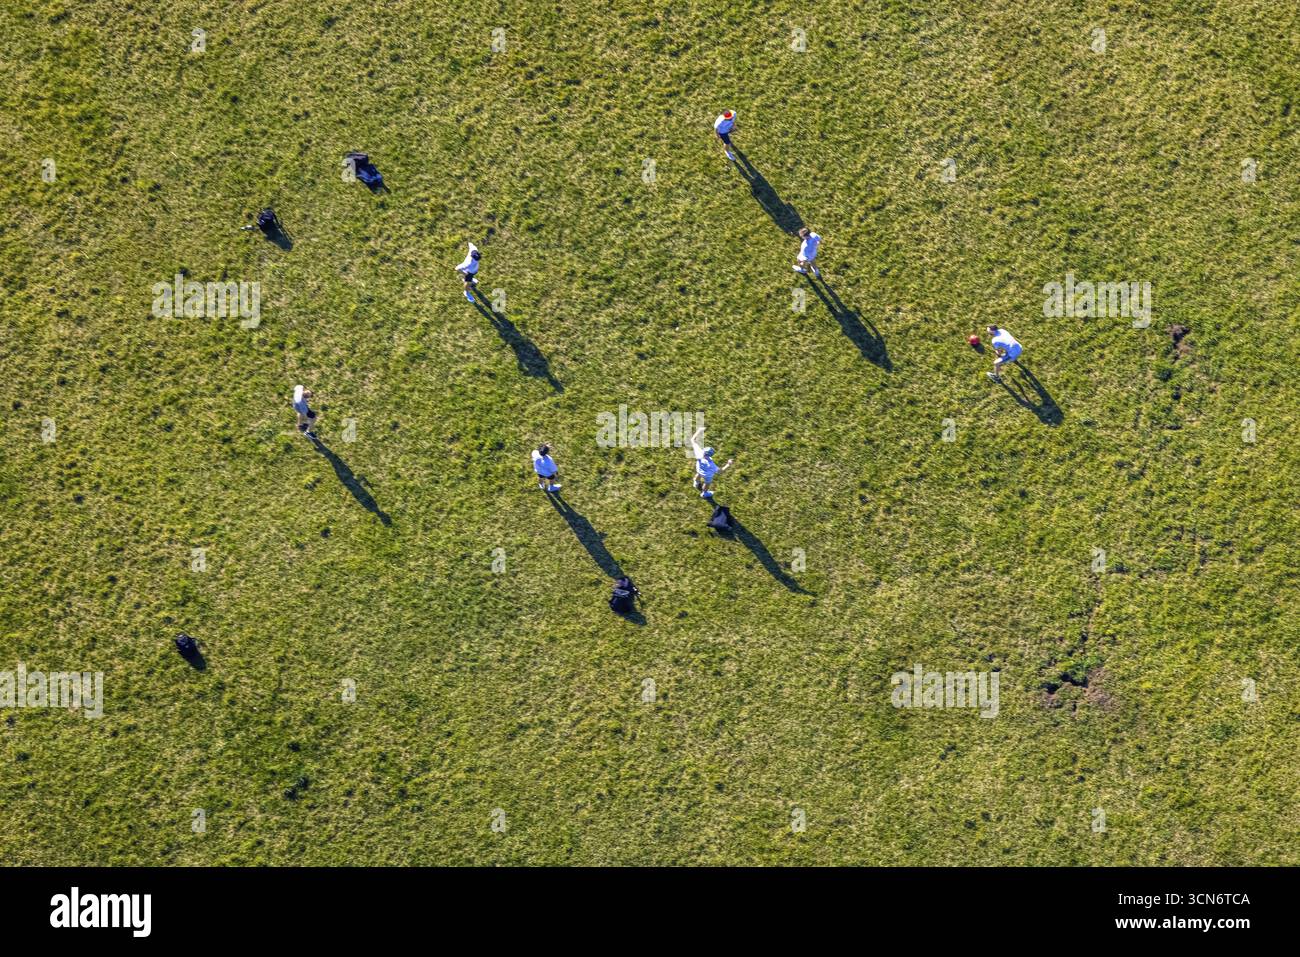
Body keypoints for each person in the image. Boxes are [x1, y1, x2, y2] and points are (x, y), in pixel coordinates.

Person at [690, 426, 733, 499]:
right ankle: (704, 493)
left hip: (699, 468)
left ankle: (696, 482)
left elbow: (692, 440)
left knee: (699, 474)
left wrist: (699, 430)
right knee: (707, 483)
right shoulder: (711, 465)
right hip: (707, 475)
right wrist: (728, 464)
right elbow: (720, 471)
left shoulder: (699, 453)